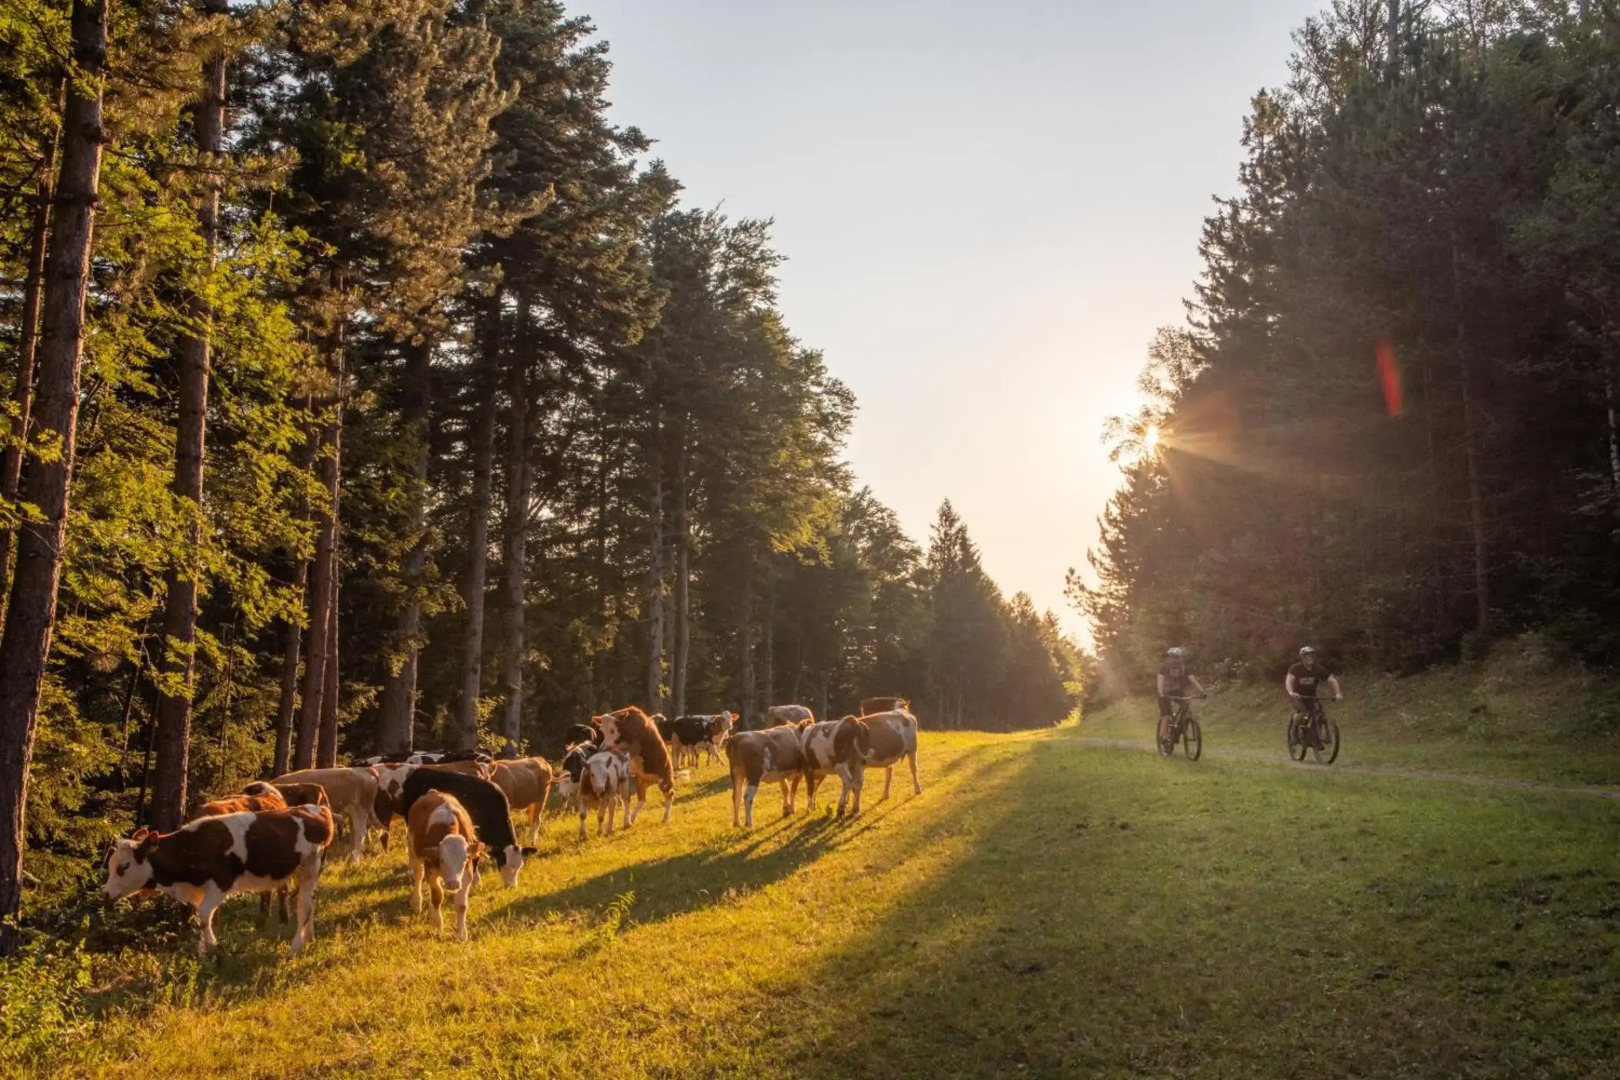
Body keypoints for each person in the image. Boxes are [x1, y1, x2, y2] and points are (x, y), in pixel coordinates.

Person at [1286, 646, 1342, 745]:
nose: (1309, 658)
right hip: (1298, 697)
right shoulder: (1296, 668)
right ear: (1302, 657)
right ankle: (1294, 730)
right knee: (1303, 713)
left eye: (1311, 656)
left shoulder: (1318, 669)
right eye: (1307, 656)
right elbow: (1289, 680)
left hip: (1312, 697)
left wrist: (1337, 693)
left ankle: (1314, 739)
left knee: (1319, 715)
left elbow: (1332, 680)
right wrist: (1291, 692)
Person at [1157, 647, 1206, 724]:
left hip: (1176, 691)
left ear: (1180, 658)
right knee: (1166, 716)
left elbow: (1192, 678)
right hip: (1164, 693)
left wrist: (1202, 691)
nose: (1175, 660)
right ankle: (1164, 735)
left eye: (1177, 657)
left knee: (1186, 705)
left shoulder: (1183, 667)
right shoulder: (1164, 667)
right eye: (1172, 657)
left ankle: (1182, 726)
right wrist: (1161, 692)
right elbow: (1160, 680)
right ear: (1169, 658)